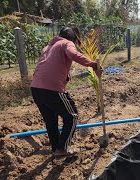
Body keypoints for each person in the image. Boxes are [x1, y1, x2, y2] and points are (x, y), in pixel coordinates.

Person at [31, 27, 102, 158]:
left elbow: (47, 67)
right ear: (73, 39)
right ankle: (62, 148)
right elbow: (74, 55)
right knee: (72, 116)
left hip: (36, 89)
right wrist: (93, 64)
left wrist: (65, 76)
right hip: (51, 89)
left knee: (51, 121)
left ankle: (56, 149)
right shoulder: (66, 43)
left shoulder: (48, 47)